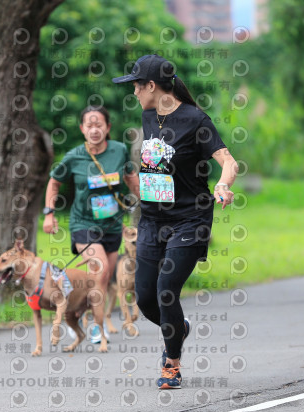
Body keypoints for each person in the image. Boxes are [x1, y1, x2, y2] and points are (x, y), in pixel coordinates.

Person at [112, 54, 238, 389]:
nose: (134, 93)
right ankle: (178, 329)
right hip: (153, 220)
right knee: (145, 297)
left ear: (152, 86)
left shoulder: (196, 119)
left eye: (136, 86)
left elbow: (228, 162)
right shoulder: (148, 115)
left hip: (190, 219)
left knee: (166, 290)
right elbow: (156, 168)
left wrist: (223, 185)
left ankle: (172, 364)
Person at [42, 105, 140, 343]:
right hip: (83, 223)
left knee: (102, 280)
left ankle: (76, 314)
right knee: (101, 269)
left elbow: (129, 177)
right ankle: (95, 327)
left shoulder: (119, 150)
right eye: (89, 125)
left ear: (108, 127)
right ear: (82, 128)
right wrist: (49, 213)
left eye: (99, 125)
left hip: (112, 225)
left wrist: (146, 200)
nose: (94, 130)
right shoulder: (75, 156)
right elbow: (54, 182)